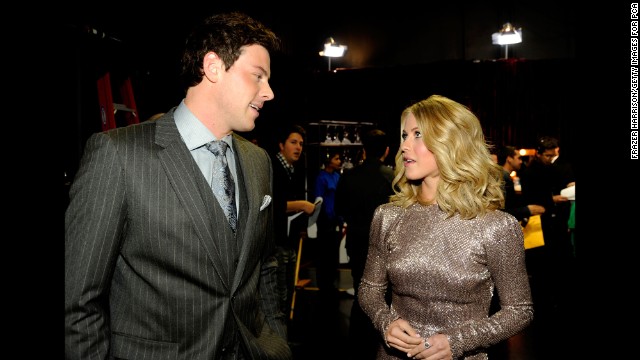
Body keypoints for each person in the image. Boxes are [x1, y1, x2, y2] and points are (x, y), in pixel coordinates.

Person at [65, 12, 293, 360]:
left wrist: (276, 343)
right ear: (214, 67)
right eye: (258, 77)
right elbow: (78, 300)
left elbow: (265, 265)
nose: (269, 92)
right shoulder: (117, 154)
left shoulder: (258, 161)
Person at [358, 95, 534, 360]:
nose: (405, 145)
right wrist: (385, 322)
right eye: (404, 135)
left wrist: (457, 341)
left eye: (418, 134)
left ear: (451, 143)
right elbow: (369, 289)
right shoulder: (388, 217)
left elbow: (520, 310)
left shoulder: (496, 227)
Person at [334, 128, 394, 360]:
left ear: (363, 149)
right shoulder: (392, 178)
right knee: (384, 294)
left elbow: (339, 209)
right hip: (386, 245)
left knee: (362, 289)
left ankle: (357, 344)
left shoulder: (348, 176)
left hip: (357, 241)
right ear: (387, 151)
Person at [518, 136, 574, 311]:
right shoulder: (529, 171)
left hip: (553, 220)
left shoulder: (550, 168)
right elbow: (531, 198)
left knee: (556, 262)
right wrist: (552, 199)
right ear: (539, 154)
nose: (550, 159)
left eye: (552, 156)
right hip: (538, 222)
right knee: (541, 265)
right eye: (547, 156)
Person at [271, 124, 316, 321]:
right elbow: (271, 203)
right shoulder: (273, 167)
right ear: (281, 145)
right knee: (278, 294)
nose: (298, 147)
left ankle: (284, 337)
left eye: (301, 144)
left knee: (288, 290)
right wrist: (302, 205)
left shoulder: (292, 169)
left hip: (289, 239)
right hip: (275, 241)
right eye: (293, 142)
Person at [310, 149, 343, 301]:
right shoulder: (321, 178)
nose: (339, 161)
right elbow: (319, 201)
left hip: (336, 221)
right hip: (325, 222)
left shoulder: (337, 176)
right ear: (329, 160)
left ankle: (332, 286)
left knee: (333, 256)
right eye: (336, 159)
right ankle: (324, 287)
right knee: (324, 255)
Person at [497, 145, 545, 221]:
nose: (521, 162)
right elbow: (502, 210)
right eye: (519, 158)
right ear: (509, 159)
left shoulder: (502, 175)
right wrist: (528, 210)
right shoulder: (503, 177)